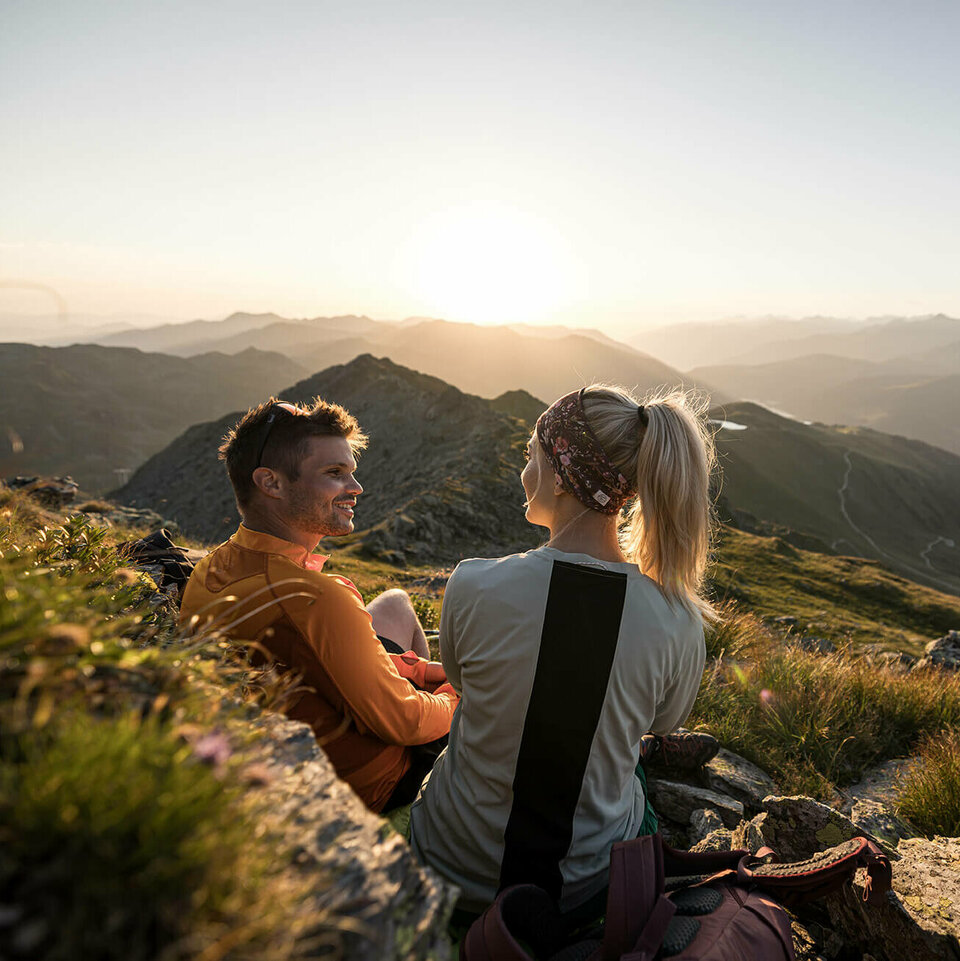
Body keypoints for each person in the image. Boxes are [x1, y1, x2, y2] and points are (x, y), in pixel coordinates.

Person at [409, 384, 715, 916]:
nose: (525, 473)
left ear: (558, 471)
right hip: (579, 891)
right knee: (627, 754)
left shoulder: (472, 584)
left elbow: (459, 682)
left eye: (531, 455)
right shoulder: (677, 620)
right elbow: (663, 719)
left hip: (444, 867)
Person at [179, 397, 458, 813]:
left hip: (290, 746)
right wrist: (461, 691)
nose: (356, 488)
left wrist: (421, 670)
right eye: (334, 474)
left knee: (397, 603)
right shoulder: (315, 599)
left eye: (351, 472)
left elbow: (325, 661)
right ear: (271, 483)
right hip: (371, 782)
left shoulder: (212, 567)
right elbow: (407, 722)